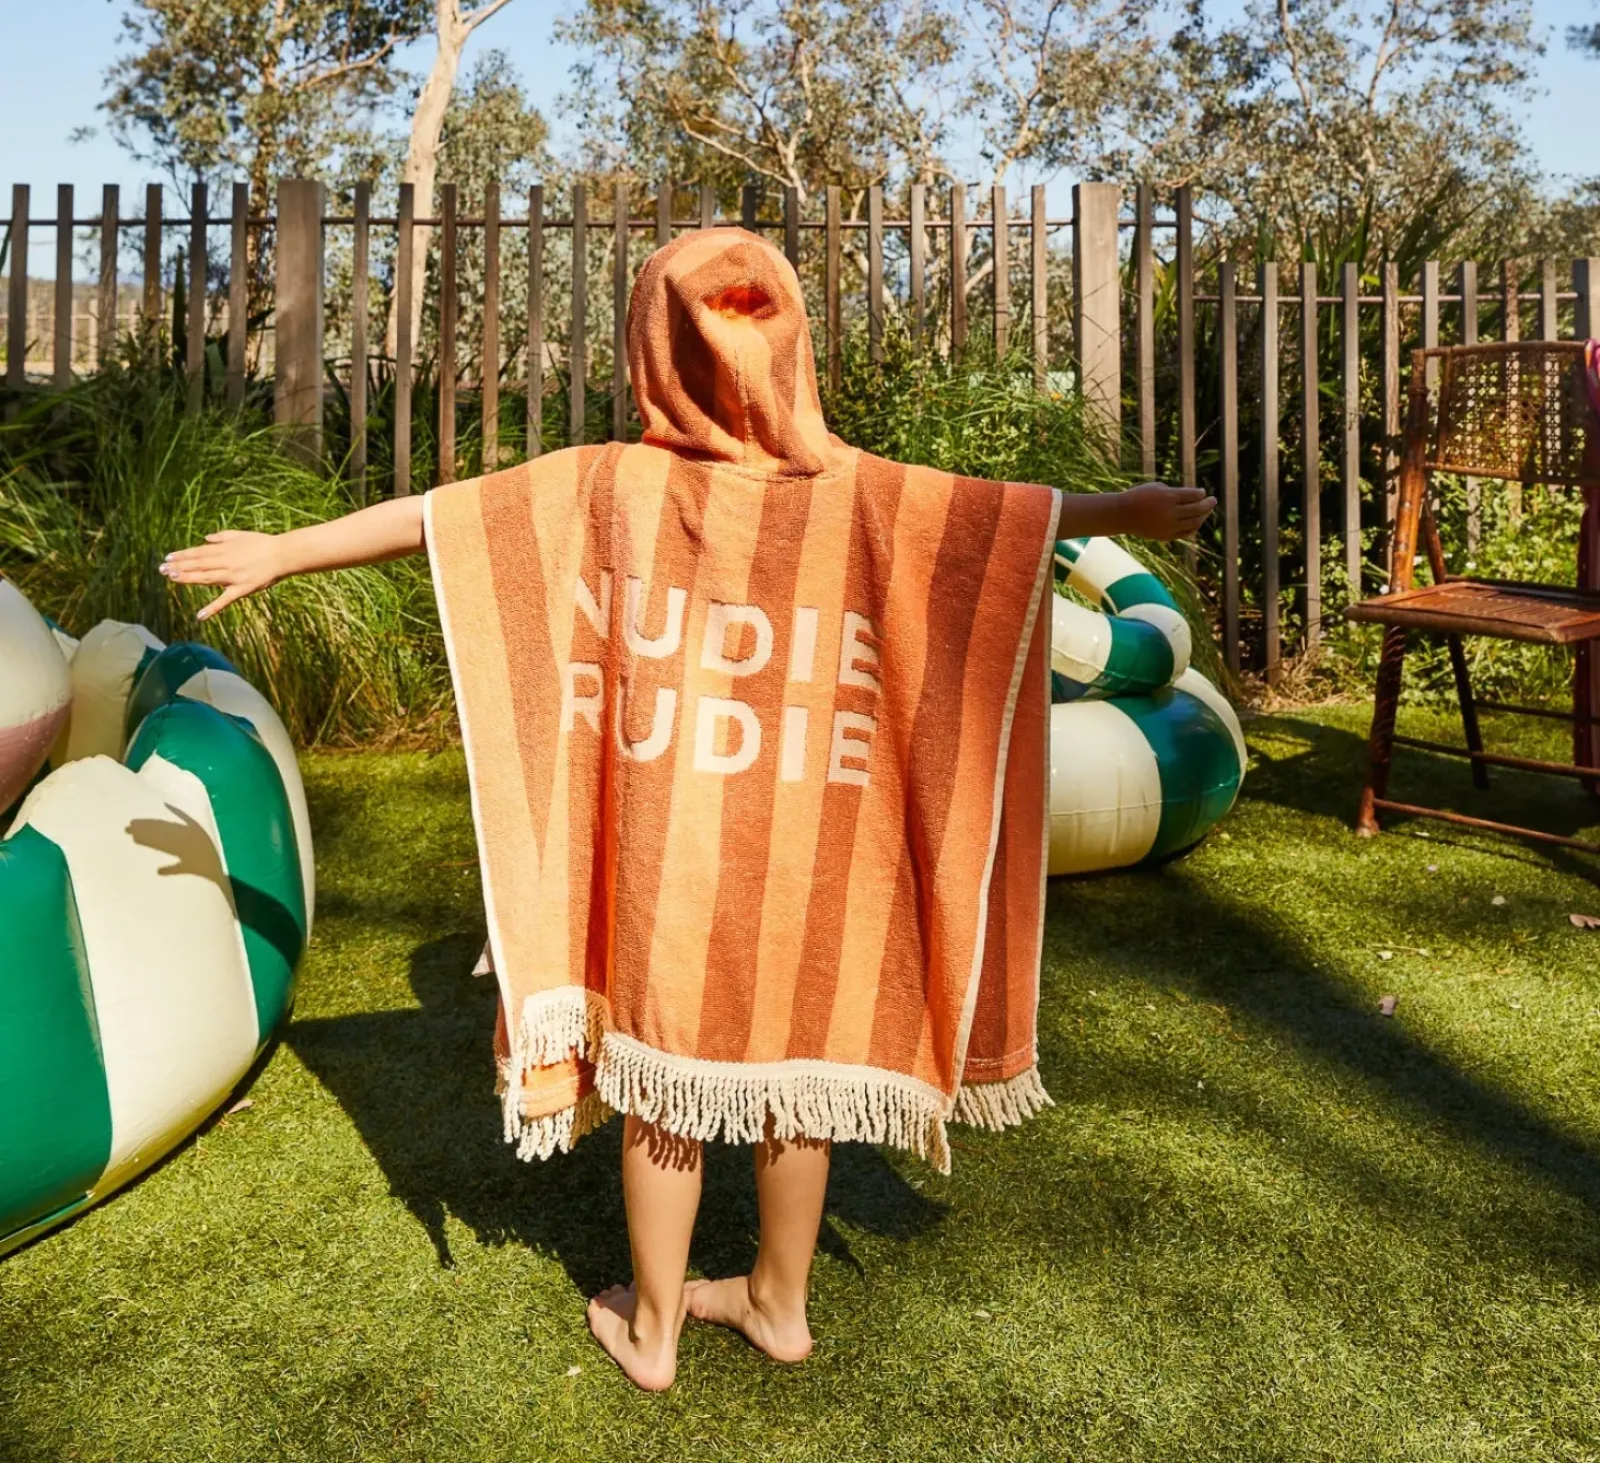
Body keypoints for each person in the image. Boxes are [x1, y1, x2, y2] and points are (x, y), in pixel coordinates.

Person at [161, 228, 1213, 1391]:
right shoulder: (867, 494)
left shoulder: (610, 486)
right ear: (795, 345)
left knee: (661, 1078)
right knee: (799, 1072)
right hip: (817, 857)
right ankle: (776, 1302)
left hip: (669, 863)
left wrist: (286, 548)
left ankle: (653, 1327)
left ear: (652, 350)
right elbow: (1002, 521)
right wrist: (1126, 512)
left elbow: (439, 521)